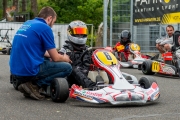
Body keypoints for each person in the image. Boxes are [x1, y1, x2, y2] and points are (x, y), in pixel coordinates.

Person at [9, 6, 72, 100]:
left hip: (15, 71)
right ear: (50, 18)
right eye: (53, 22)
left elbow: (33, 48)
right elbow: (55, 58)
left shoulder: (28, 23)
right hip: (28, 71)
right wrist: (65, 59)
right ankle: (35, 85)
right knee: (67, 68)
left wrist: (50, 55)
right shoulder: (45, 28)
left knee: (46, 58)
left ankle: (26, 83)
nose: (52, 25)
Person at [59, 20, 97, 89]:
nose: (80, 35)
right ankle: (91, 86)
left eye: (82, 33)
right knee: (73, 68)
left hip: (87, 74)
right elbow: (59, 62)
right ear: (70, 32)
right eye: (78, 33)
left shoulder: (88, 49)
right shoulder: (65, 49)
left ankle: (113, 82)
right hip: (72, 78)